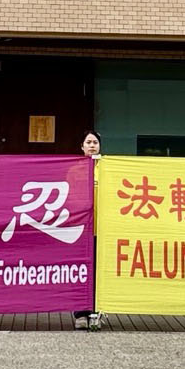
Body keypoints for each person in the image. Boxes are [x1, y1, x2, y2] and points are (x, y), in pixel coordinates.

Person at [73, 132, 104, 332]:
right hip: (82, 229)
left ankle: (96, 312)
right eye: (88, 142)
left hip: (103, 229)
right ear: (82, 146)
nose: (92, 145)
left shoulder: (107, 169)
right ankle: (80, 313)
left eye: (95, 142)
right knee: (81, 271)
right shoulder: (74, 169)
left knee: (99, 273)